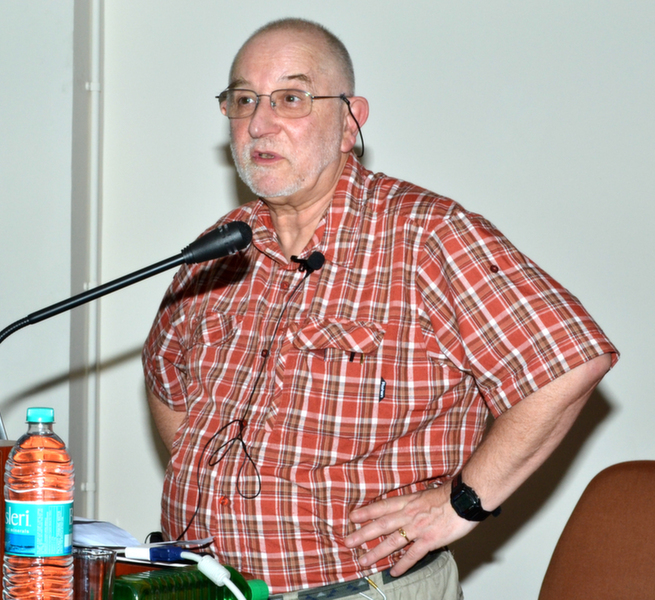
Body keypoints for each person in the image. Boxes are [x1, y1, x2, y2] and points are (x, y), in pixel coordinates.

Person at [143, 17, 617, 599]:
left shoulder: (425, 234)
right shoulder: (223, 243)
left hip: (361, 589)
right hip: (208, 585)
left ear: (349, 122)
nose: (259, 123)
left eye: (290, 98)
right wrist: (215, 476)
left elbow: (570, 362)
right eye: (243, 100)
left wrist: (463, 503)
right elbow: (164, 373)